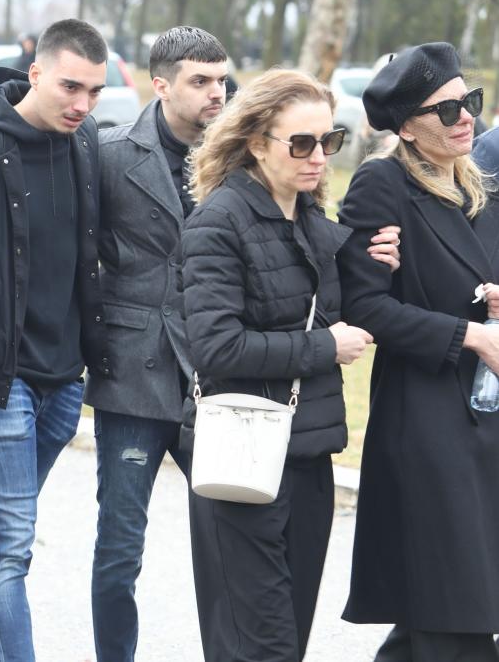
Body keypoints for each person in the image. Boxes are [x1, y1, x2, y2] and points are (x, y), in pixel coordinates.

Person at [179, 68, 397, 662]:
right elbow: (216, 347)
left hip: (308, 457)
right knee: (260, 646)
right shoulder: (219, 221)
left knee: (289, 641)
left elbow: (345, 308)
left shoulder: (312, 220)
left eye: (329, 141)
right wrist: (325, 348)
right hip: (242, 457)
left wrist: (379, 262)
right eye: (301, 143)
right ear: (256, 143)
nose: (319, 157)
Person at [0, 19, 109, 662]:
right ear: (34, 73)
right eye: (71, 87)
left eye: (94, 91)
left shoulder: (85, 141)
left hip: (63, 383)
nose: (83, 104)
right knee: (11, 545)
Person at [337, 42, 499, 662]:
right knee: (454, 608)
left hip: (482, 415)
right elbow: (365, 305)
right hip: (425, 418)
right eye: (447, 110)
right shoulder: (383, 183)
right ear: (406, 128)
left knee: (445, 611)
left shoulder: (478, 182)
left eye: (470, 101)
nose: (466, 118)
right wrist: (470, 335)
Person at [84, 25, 228, 662]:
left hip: (216, 370)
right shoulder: (109, 153)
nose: (216, 93)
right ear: (161, 84)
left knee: (232, 540)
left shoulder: (241, 156)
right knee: (119, 551)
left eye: (221, 79)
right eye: (200, 81)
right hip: (131, 374)